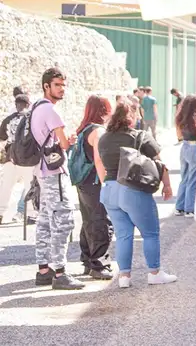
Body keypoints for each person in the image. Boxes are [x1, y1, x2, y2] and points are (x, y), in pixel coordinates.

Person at [98, 101, 177, 289]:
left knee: (123, 235)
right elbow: (160, 163)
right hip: (132, 189)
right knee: (150, 233)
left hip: (109, 189)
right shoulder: (140, 136)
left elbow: (101, 164)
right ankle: (155, 273)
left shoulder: (104, 138)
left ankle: (124, 277)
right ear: (132, 117)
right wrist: (167, 185)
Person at [30, 68, 83, 290]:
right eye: (57, 85)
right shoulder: (51, 111)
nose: (62, 89)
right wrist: (70, 139)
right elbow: (63, 144)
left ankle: (44, 270)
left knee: (44, 220)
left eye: (63, 85)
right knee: (63, 221)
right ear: (46, 86)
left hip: (41, 172)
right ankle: (60, 273)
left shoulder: (35, 109)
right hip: (55, 173)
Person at [74, 95, 114, 280]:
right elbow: (99, 159)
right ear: (104, 110)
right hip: (95, 182)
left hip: (83, 182)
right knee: (101, 221)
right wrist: (106, 183)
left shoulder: (84, 129)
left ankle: (87, 260)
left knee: (89, 219)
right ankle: (99, 263)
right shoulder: (98, 131)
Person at [0, 94, 33, 225]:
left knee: (6, 187)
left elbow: (1, 140)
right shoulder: (31, 120)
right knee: (30, 186)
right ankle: (31, 215)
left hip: (11, 158)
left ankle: (1, 213)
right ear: (28, 105)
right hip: (28, 160)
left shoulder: (8, 119)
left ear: (16, 105)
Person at [174, 95, 196, 217]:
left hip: (184, 145)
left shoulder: (181, 117)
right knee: (193, 178)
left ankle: (179, 207)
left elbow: (179, 136)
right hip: (194, 146)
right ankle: (189, 208)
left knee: (184, 178)